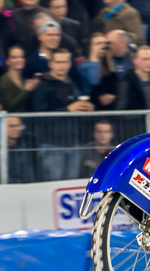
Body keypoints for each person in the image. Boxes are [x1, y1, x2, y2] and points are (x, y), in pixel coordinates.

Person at [31, 48, 93, 180]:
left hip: (73, 144)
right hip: (52, 145)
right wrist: (67, 110)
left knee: (69, 187)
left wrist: (87, 109)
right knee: (53, 187)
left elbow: (77, 111)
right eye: (58, 62)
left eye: (65, 62)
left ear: (70, 64)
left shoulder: (73, 85)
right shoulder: (42, 87)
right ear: (50, 64)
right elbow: (39, 116)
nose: (62, 66)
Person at [0, 45, 40, 111]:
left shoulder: (23, 80)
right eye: (14, 57)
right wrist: (27, 90)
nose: (19, 60)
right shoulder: (4, 81)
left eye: (22, 57)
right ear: (7, 61)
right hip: (11, 120)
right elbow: (9, 106)